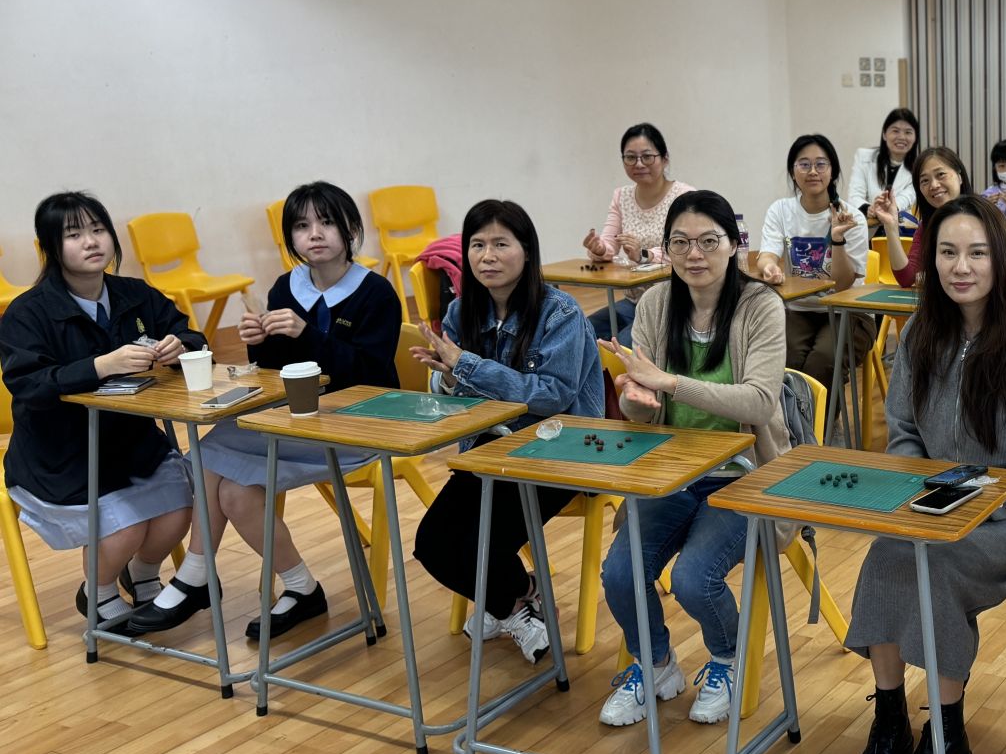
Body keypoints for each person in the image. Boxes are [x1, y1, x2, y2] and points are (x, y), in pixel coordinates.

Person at [844, 196, 1006, 754]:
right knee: (888, 555)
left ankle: (947, 733)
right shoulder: (922, 328)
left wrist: (977, 501)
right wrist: (926, 488)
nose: (960, 267)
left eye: (976, 253)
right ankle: (890, 718)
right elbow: (902, 430)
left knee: (936, 564)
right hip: (933, 500)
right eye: (947, 252)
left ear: (1001, 259)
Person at [127, 182, 402, 640]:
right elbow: (276, 373)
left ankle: (196, 575)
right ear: (289, 237)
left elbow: (369, 374)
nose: (315, 234)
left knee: (210, 454)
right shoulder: (285, 287)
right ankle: (300, 587)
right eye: (302, 226)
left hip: (360, 423)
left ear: (351, 229)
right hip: (297, 419)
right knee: (232, 487)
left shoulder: (376, 293)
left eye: (327, 222)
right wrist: (259, 342)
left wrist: (306, 334)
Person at [596, 191, 788, 728]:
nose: (694, 254)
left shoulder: (760, 306)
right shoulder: (657, 303)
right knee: (620, 573)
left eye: (708, 241)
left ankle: (726, 659)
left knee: (693, 578)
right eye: (680, 242)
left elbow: (760, 402)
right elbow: (644, 413)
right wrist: (638, 401)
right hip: (674, 472)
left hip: (745, 476)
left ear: (734, 245)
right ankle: (655, 664)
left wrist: (668, 381)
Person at [410, 200, 602, 663]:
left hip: (558, 453)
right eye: (477, 245)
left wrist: (467, 365)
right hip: (488, 452)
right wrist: (449, 379)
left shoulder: (560, 313)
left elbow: (552, 395)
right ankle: (521, 601)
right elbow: (455, 397)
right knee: (431, 545)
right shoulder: (460, 312)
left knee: (483, 547)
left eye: (501, 244)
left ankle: (510, 605)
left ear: (527, 251)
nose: (487, 256)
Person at [0, 193, 202, 629]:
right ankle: (98, 591)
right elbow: (29, 383)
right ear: (50, 248)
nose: (91, 242)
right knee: (125, 527)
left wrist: (180, 346)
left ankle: (143, 574)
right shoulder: (27, 312)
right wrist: (100, 366)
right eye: (74, 235)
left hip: (131, 442)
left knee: (180, 507)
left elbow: (189, 333)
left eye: (98, 230)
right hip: (60, 455)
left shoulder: (135, 294)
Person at [755, 134, 872, 384]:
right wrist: (770, 267)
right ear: (793, 171)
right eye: (804, 164)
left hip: (846, 311)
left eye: (820, 164)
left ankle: (824, 413)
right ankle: (794, 412)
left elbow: (842, 285)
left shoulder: (852, 218)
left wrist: (837, 239)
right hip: (798, 309)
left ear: (833, 171)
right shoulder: (780, 210)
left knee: (822, 361)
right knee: (785, 359)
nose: (812, 171)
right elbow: (766, 256)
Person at [580, 123, 696, 341]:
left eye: (647, 157)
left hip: (673, 300)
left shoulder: (685, 197)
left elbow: (686, 248)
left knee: (623, 344)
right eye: (630, 157)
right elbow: (609, 243)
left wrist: (644, 254)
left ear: (664, 158)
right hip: (634, 300)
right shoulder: (621, 196)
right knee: (582, 331)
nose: (639, 164)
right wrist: (599, 248)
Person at [872, 146, 970, 287]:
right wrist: (890, 226)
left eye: (941, 174)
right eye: (925, 181)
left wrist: (932, 278)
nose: (934, 185)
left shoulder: (982, 217)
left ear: (959, 177)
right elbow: (907, 278)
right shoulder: (927, 226)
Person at [847, 107, 921, 217]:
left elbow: (907, 197)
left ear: (915, 138)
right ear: (884, 135)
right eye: (895, 131)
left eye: (908, 132)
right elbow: (854, 195)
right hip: (868, 223)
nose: (902, 137)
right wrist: (869, 208)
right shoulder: (863, 157)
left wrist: (889, 207)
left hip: (900, 224)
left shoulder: (919, 168)